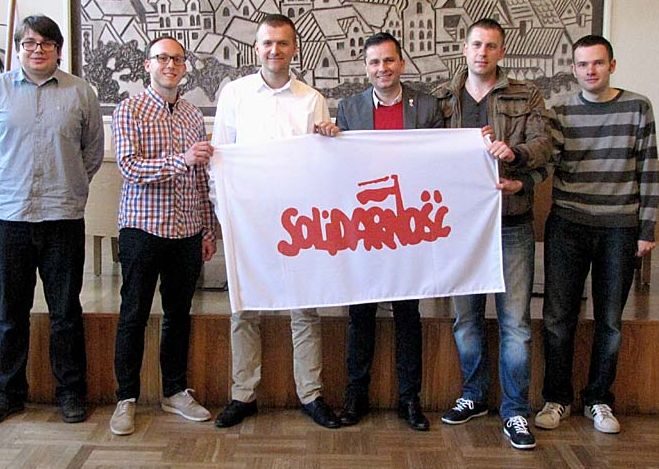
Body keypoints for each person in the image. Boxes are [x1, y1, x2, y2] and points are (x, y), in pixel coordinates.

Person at [212, 14, 340, 429]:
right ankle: (243, 394)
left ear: (294, 48)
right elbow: (219, 159)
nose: (274, 50)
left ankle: (311, 394)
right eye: (267, 42)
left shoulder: (311, 99)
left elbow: (322, 164)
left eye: (283, 43)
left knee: (304, 309)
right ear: (257, 47)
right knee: (244, 309)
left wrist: (329, 139)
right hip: (247, 222)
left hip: (298, 223)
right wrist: (224, 214)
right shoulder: (234, 95)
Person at [435, 18, 551, 450]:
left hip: (511, 223)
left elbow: (544, 145)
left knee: (515, 324)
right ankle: (474, 395)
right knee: (465, 320)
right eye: (476, 45)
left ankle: (515, 410)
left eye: (491, 46)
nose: (482, 52)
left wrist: (514, 155)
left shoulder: (527, 94)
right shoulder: (443, 99)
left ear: (501, 51)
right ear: (464, 49)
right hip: (459, 228)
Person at [535, 35, 657, 435]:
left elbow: (649, 170)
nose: (591, 70)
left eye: (598, 63)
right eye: (583, 64)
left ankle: (598, 400)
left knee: (609, 321)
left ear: (612, 66)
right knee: (557, 318)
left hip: (619, 228)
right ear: (573, 69)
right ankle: (557, 398)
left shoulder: (638, 107)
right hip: (567, 225)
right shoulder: (559, 111)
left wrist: (647, 229)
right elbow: (545, 163)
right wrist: (515, 175)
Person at [109, 36, 217, 436]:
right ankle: (126, 398)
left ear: (185, 67)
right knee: (133, 314)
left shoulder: (192, 115)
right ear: (147, 65)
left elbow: (201, 175)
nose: (170, 65)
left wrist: (208, 229)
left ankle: (174, 391)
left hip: (187, 230)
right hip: (142, 227)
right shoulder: (129, 109)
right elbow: (129, 167)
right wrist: (181, 160)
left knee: (178, 314)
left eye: (177, 59)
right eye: (162, 58)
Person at [334, 32, 443, 432]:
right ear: (366, 67)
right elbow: (339, 165)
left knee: (407, 314)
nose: (382, 68)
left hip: (409, 227)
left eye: (389, 60)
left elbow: (441, 160)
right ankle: (356, 396)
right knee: (360, 314)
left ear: (402, 63)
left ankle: (409, 399)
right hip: (365, 228)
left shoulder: (427, 106)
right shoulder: (349, 108)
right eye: (375, 62)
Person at [0, 15, 103, 424]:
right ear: (18, 49)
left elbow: (92, 153)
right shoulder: (2, 89)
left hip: (62, 217)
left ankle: (71, 393)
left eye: (46, 43)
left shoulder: (80, 92)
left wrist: (70, 187)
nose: (37, 49)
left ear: (58, 50)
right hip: (10, 217)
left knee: (65, 313)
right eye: (29, 43)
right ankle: (8, 393)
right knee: (9, 314)